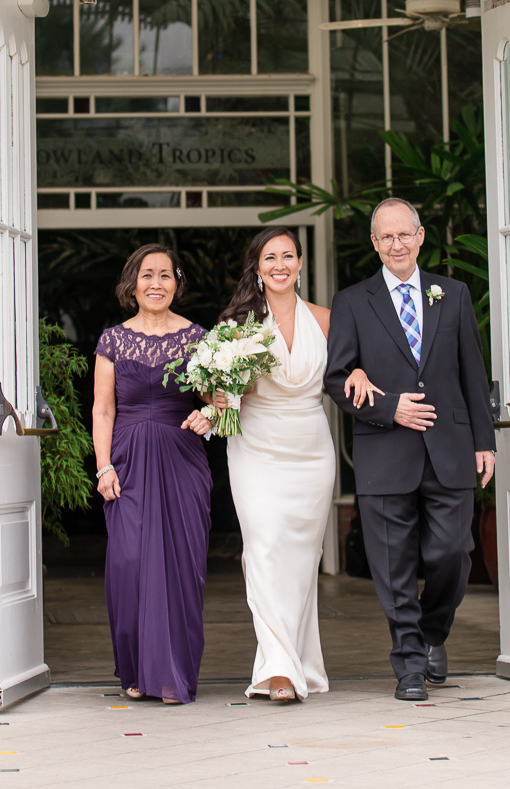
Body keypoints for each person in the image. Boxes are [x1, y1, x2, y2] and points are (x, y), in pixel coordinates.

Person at [324, 197, 495, 703]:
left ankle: (432, 632)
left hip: (450, 446)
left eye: (405, 235)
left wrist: (483, 442)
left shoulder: (454, 294)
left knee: (453, 553)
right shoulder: (354, 301)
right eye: (386, 237)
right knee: (393, 566)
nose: (396, 244)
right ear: (374, 244)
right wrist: (390, 407)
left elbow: (472, 373)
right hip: (385, 451)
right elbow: (338, 378)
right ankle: (409, 665)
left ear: (420, 237)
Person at [92, 243, 213, 705]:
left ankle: (173, 675)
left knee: (181, 565)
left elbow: (216, 400)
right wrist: (103, 464)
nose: (156, 284)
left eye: (165, 275)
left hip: (182, 460)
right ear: (132, 284)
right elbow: (103, 409)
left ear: (176, 284)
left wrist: (213, 412)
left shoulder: (199, 339)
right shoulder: (112, 340)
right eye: (147, 275)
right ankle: (138, 668)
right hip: (126, 461)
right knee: (128, 564)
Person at [223, 227, 335, 703]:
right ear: (257, 266)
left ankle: (297, 664)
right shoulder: (237, 325)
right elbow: (216, 392)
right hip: (256, 448)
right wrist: (218, 392)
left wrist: (365, 372)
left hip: (312, 451)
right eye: (270, 257)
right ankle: (280, 670)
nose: (280, 265)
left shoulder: (328, 320)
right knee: (264, 549)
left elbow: (352, 367)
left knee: (302, 562)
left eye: (288, 256)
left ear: (301, 263)